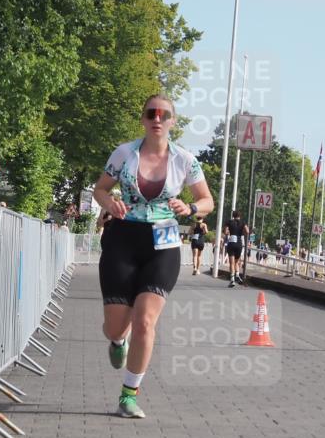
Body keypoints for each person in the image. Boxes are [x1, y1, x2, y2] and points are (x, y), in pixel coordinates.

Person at [92, 94, 214, 419]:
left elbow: (207, 201)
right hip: (123, 237)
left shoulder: (185, 160)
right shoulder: (124, 154)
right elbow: (100, 189)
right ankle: (119, 342)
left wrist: (189, 208)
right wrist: (108, 204)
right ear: (144, 119)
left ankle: (128, 395)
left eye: (164, 114)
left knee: (145, 321)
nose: (157, 119)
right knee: (116, 327)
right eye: (151, 113)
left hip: (164, 240)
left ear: (173, 121)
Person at [223, 210, 249, 287]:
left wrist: (228, 232)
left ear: (233, 216)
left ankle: (232, 280)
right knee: (236, 262)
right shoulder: (243, 223)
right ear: (239, 216)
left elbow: (225, 231)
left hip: (231, 243)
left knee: (231, 262)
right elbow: (247, 231)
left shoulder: (229, 222)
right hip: (239, 243)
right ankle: (237, 275)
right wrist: (241, 233)